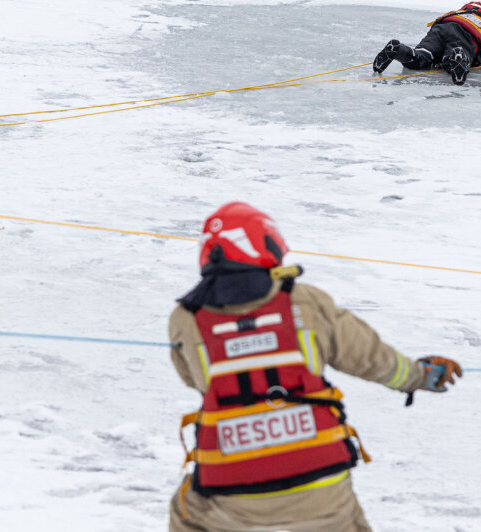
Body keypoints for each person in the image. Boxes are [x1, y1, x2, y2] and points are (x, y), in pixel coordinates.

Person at [168, 202, 462, 532]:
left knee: (185, 512)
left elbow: (195, 380)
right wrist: (420, 376)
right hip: (322, 485)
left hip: (233, 492)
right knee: (347, 520)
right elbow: (369, 357)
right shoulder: (305, 301)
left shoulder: (186, 319)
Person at [373, 0, 481, 85]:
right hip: (467, 35)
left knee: (421, 57)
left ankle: (398, 49)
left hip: (442, 26)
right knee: (450, 61)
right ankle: (456, 55)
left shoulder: (471, 5)